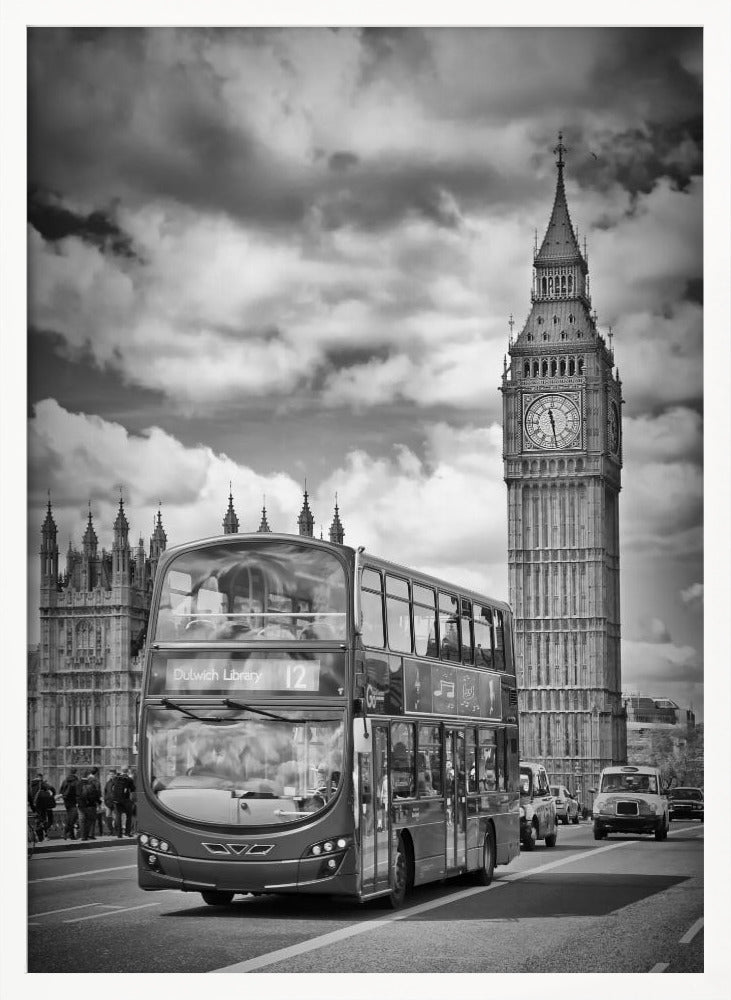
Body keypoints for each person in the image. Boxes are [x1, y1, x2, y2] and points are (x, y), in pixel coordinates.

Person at [30, 774, 56, 841]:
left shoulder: (31, 785)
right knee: (46, 819)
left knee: (39, 820)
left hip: (35, 805)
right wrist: (52, 795)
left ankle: (39, 837)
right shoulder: (41, 783)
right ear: (40, 778)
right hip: (43, 804)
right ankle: (45, 835)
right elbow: (52, 788)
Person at [77, 769, 102, 841]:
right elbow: (96, 795)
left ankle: (83, 836)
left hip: (81, 806)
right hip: (91, 805)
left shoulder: (78, 784)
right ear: (88, 776)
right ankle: (86, 835)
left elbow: (76, 795)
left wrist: (78, 803)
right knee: (89, 820)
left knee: (82, 821)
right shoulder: (91, 784)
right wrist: (98, 802)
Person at [111, 767, 135, 837]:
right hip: (126, 800)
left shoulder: (115, 778)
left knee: (118, 816)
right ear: (128, 771)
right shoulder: (129, 779)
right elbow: (133, 789)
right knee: (129, 816)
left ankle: (119, 834)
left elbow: (112, 788)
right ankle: (127, 832)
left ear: (121, 770)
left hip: (117, 800)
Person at [60, 767, 80, 840]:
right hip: (73, 801)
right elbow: (78, 792)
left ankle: (69, 834)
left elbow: (61, 790)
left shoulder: (65, 780)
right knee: (72, 819)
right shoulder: (76, 781)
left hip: (66, 801)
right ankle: (67, 833)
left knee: (70, 817)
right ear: (76, 772)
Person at [103, 769, 118, 835]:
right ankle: (111, 830)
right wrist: (105, 799)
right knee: (108, 816)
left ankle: (116, 830)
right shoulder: (108, 782)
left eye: (112, 774)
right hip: (108, 802)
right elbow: (105, 792)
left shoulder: (117, 782)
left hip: (115, 802)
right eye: (110, 774)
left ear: (115, 774)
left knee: (116, 817)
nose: (111, 775)